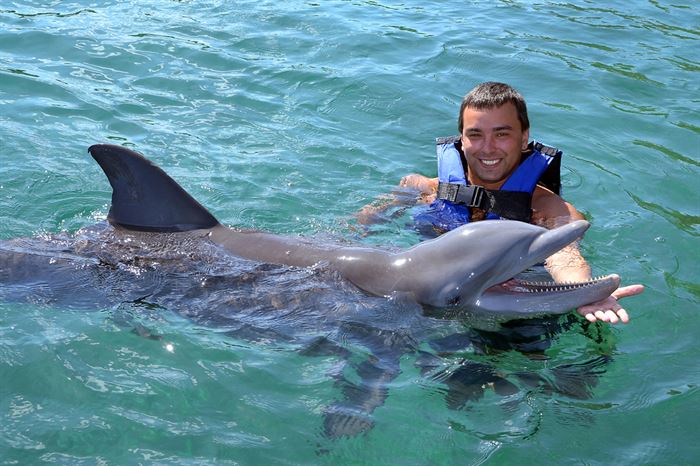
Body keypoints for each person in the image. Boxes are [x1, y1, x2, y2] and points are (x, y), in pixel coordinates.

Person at [360, 82, 644, 324]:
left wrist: (583, 293)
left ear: (524, 138)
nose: (488, 148)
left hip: (506, 309)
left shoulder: (548, 210)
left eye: (502, 134)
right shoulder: (422, 189)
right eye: (475, 134)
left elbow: (565, 256)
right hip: (420, 300)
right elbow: (359, 228)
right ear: (461, 140)